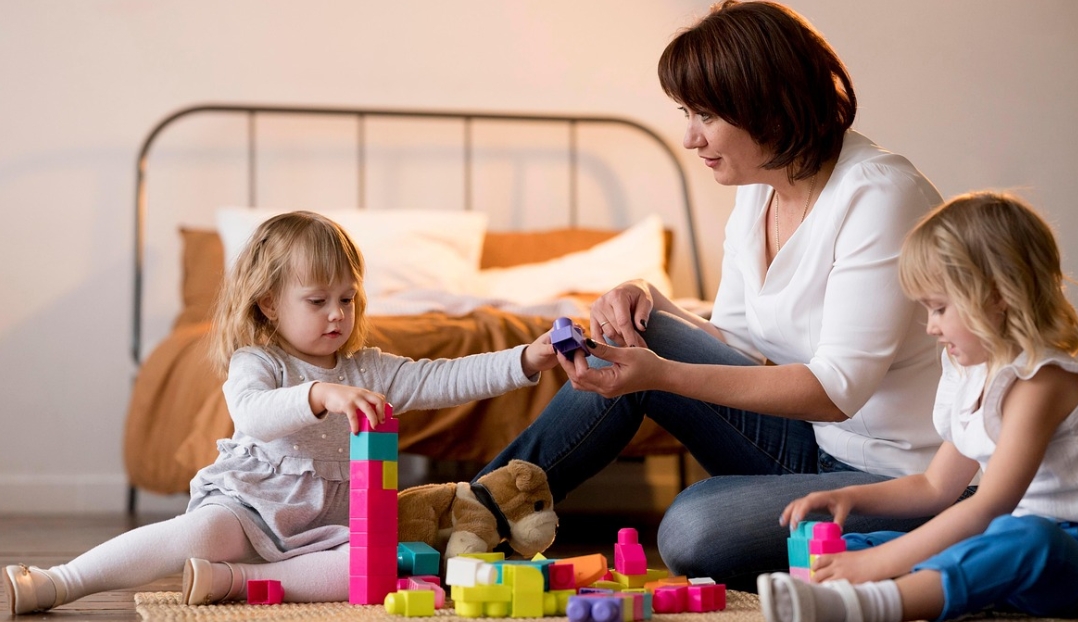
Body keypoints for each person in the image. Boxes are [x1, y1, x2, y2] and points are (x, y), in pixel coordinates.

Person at [475, 0, 945, 589]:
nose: (691, 138)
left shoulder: (878, 195)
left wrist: (660, 375)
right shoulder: (760, 188)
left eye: (705, 115)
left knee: (692, 530)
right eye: (686, 112)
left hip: (907, 478)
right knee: (630, 331)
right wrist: (650, 298)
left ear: (767, 109)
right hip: (814, 449)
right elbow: (740, 344)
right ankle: (471, 514)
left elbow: (835, 393)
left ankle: (933, 538)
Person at [2, 210, 561, 614]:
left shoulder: (370, 367)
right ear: (269, 303)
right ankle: (60, 581)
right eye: (317, 301)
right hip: (251, 507)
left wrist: (527, 359)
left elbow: (447, 378)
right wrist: (320, 396)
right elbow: (252, 415)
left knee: (370, 568)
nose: (337, 314)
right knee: (196, 534)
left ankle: (238, 583)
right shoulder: (257, 361)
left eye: (347, 298)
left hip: (336, 522)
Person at [756, 191, 1078, 622]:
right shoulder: (975, 375)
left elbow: (989, 505)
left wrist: (875, 569)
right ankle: (828, 591)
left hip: (1057, 552)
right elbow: (934, 487)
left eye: (940, 308)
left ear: (998, 295)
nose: (930, 327)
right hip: (1006, 550)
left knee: (1027, 538)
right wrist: (850, 496)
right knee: (861, 547)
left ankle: (875, 605)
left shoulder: (1044, 380)